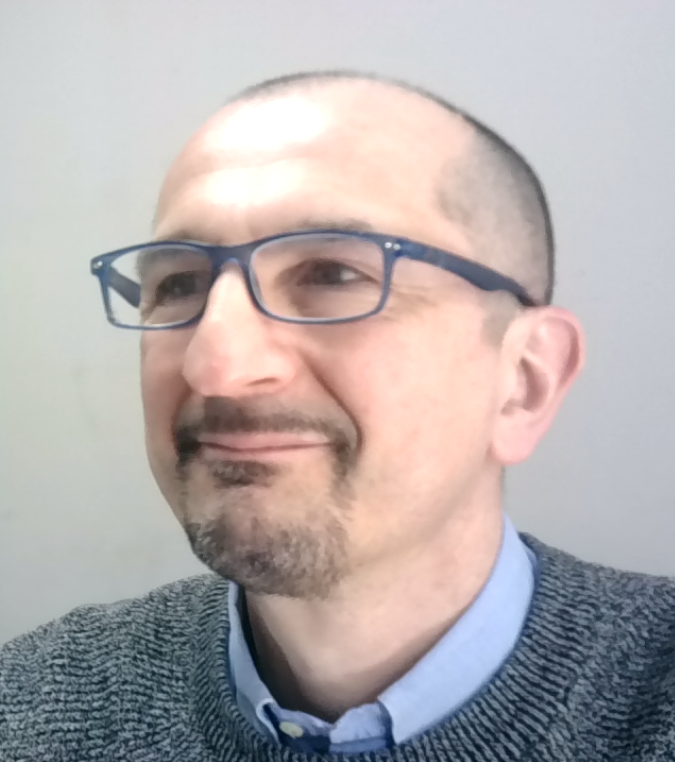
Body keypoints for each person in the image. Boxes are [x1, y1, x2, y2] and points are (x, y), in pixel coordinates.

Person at [1, 70, 674, 762]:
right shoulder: (30, 707)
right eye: (178, 283)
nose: (215, 364)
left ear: (523, 381)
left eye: (331, 273)